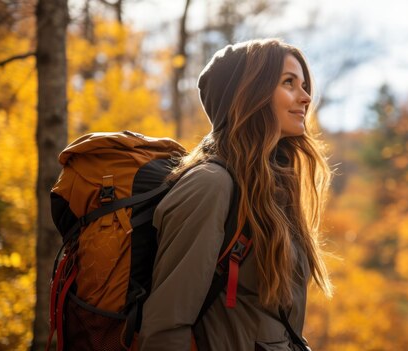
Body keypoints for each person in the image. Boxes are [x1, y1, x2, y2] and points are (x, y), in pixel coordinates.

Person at [139, 38, 333, 351]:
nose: (306, 97)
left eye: (304, 85)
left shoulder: (271, 191)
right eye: (289, 83)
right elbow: (166, 326)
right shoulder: (210, 185)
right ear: (250, 94)